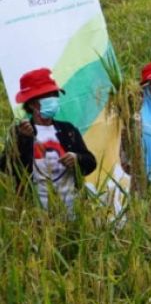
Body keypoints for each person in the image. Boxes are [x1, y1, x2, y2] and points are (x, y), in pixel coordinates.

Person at [4, 68, 97, 217]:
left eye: (55, 95)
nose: (54, 99)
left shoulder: (68, 130)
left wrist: (76, 159)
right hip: (36, 215)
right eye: (49, 96)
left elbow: (91, 162)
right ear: (34, 103)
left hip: (72, 212)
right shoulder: (19, 132)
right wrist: (23, 139)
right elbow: (7, 167)